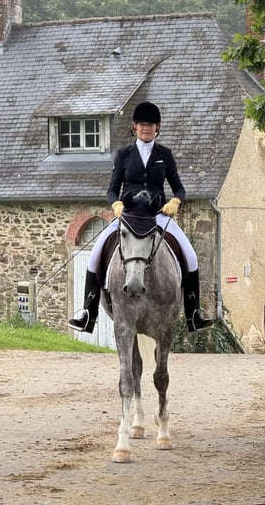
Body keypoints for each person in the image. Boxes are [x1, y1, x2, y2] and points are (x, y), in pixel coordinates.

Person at [68, 101, 214, 335]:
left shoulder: (164, 155)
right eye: (142, 124)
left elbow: (179, 188)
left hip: (157, 216)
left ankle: (193, 313)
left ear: (158, 127)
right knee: (95, 255)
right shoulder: (124, 154)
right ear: (134, 126)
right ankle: (88, 313)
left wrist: (175, 201)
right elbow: (112, 188)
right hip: (128, 216)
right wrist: (115, 204)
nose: (147, 128)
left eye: (151, 125)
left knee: (191, 256)